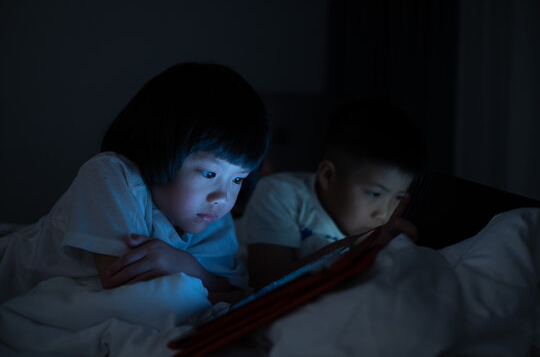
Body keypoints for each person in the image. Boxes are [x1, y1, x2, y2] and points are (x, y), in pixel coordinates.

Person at [0, 62, 270, 305]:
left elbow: (234, 291)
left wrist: (185, 265)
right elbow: (121, 279)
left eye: (237, 179)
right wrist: (200, 279)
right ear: (162, 148)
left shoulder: (212, 214)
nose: (223, 197)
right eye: (208, 174)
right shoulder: (110, 174)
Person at [237, 98, 426, 289]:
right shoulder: (280, 193)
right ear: (327, 176)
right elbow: (265, 283)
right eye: (374, 194)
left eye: (399, 197)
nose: (384, 214)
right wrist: (352, 248)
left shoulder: (392, 222)